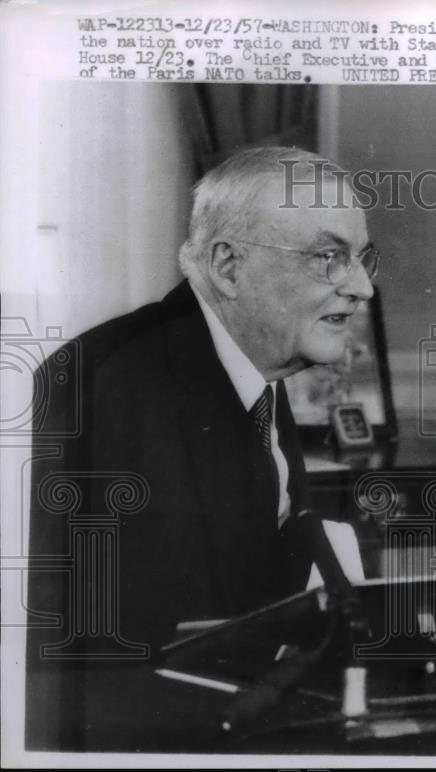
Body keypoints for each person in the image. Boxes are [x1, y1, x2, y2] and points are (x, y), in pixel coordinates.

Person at [26, 146, 376, 746]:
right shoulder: (107, 391)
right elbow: (88, 670)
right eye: (329, 258)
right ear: (228, 267)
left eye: (363, 258)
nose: (363, 287)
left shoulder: (255, 366)